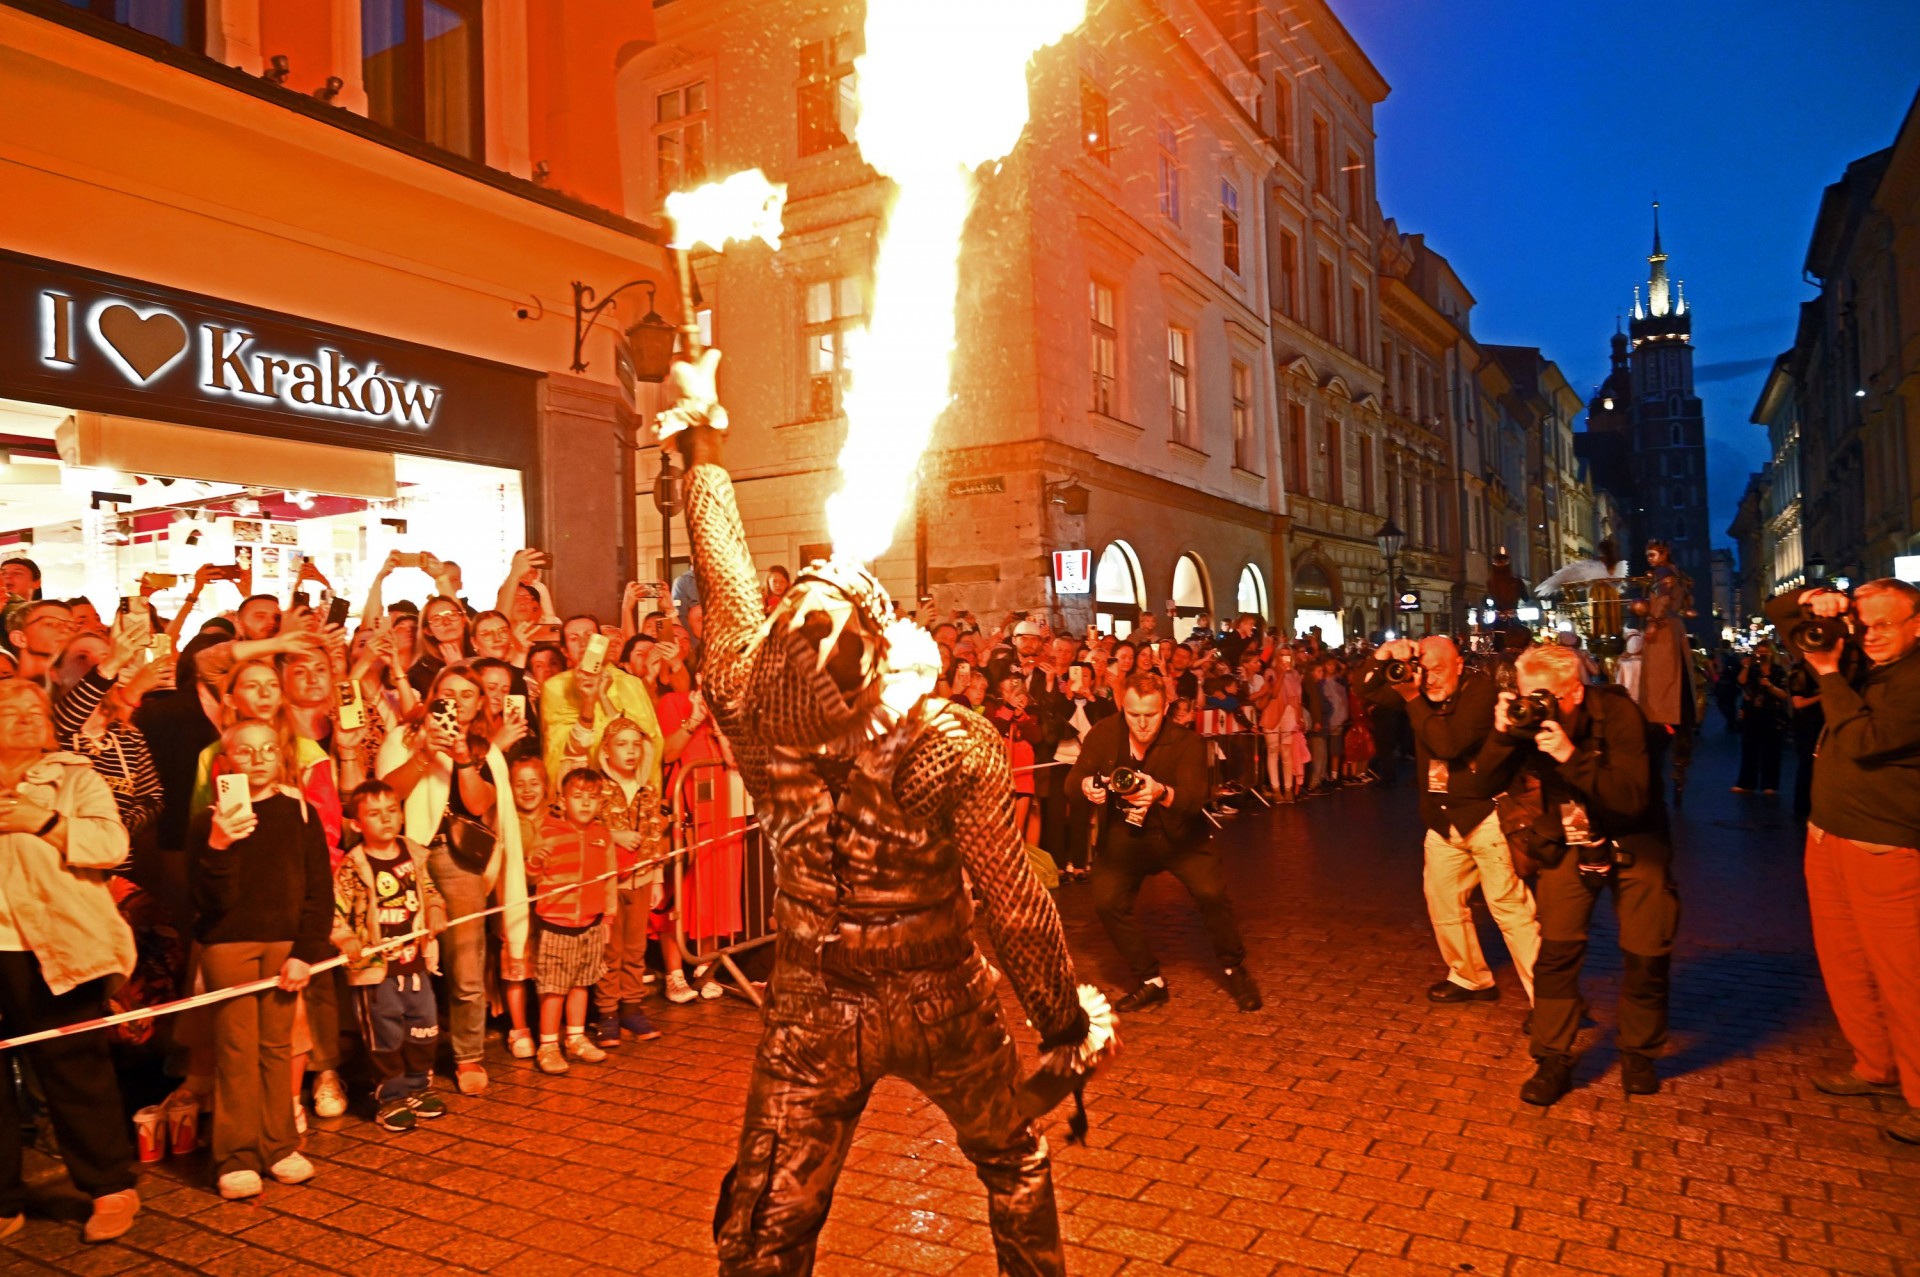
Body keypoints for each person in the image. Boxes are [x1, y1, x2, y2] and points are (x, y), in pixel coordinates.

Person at [662, 350, 1109, 1275]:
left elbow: (728, 580)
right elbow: (1019, 909)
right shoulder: (946, 739)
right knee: (1013, 1159)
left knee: (772, 1212)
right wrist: (1065, 1028)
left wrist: (701, 439)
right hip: (939, 993)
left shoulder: (748, 699)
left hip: (810, 998)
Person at [1478, 643, 1679, 1105]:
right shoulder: (1526, 722)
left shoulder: (1620, 715)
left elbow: (1631, 797)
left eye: (1544, 695)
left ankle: (1638, 1053)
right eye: (1527, 694)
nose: (1534, 704)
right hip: (1569, 837)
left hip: (1634, 837)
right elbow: (1481, 785)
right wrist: (1503, 734)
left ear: (1575, 692)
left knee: (1647, 953)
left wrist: (1571, 755)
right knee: (1557, 954)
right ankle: (1552, 1058)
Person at [1766, 579, 1920, 1143]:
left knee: (1903, 975)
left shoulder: (1911, 679)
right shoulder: (1863, 657)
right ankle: (1874, 1065)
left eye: (1886, 623)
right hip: (1829, 836)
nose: (1871, 634)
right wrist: (1820, 598)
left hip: (1886, 846)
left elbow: (1863, 740)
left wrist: (1830, 674)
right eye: (1864, 622)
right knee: (1845, 962)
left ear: (1917, 626)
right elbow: (1778, 612)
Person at [0, 680, 141, 1243]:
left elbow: (112, 845)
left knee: (75, 1066)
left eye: (35, 708)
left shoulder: (74, 778)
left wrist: (45, 823)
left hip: (56, 945)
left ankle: (109, 1186)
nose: (25, 716)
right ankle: (2, 1197)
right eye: (9, 709)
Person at [186, 720, 333, 1198]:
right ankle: (235, 1155)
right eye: (246, 751)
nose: (259, 758)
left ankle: (279, 1146)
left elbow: (318, 890)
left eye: (268, 749)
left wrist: (305, 953)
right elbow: (210, 902)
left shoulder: (301, 814)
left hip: (284, 946)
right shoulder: (207, 820)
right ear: (227, 761)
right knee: (235, 1049)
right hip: (229, 945)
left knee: (277, 1046)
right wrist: (219, 845)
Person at [375, 664, 529, 1096]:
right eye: (448, 693)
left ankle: (468, 1055)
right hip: (405, 857)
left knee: (465, 962)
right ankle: (406, 1058)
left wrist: (463, 758)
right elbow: (386, 796)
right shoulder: (402, 739)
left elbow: (482, 805)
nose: (457, 702)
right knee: (404, 965)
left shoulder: (486, 749)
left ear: (480, 702)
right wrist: (424, 754)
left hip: (460, 861)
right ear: (432, 696)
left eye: (467, 694)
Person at [1068, 671, 1260, 1013]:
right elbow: (1071, 782)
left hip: (1180, 837)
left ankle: (1234, 966)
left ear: (1166, 707)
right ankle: (1149, 980)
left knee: (1211, 894)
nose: (1142, 723)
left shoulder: (1185, 741)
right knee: (1106, 902)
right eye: (1133, 714)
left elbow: (1195, 797)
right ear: (1121, 706)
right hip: (1125, 837)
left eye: (1151, 715)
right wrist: (1086, 785)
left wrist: (1162, 793)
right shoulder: (1104, 734)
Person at [1368, 637, 1540, 1005]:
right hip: (1443, 822)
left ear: (1460, 665)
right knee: (1443, 902)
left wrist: (1412, 698)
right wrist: (1383, 657)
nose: (1429, 679)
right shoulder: (1417, 689)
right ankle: (1468, 976)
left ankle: (1549, 1000)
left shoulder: (1480, 693)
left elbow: (1448, 743)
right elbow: (1366, 688)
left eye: (1438, 669)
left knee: (1510, 910)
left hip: (1485, 816)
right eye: (1423, 670)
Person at [332, 781, 448, 1134]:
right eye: (374, 814)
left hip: (415, 963)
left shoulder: (414, 854)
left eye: (392, 810)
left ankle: (418, 1085)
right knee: (385, 1034)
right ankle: (391, 1096)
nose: (386, 819)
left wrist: (437, 909)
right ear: (356, 823)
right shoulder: (354, 866)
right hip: (375, 971)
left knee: (424, 1026)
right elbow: (336, 908)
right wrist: (345, 937)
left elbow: (428, 890)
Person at [527, 768, 621, 1075]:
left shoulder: (602, 836)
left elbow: (609, 880)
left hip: (590, 925)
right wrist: (534, 862)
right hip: (556, 924)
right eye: (577, 797)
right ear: (563, 801)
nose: (584, 803)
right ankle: (548, 1044)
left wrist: (607, 917)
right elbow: (532, 876)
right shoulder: (548, 831)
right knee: (554, 988)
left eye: (591, 798)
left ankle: (576, 1037)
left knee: (582, 983)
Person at [1732, 642, 1790, 795]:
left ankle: (1769, 785)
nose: (1763, 654)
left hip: (1772, 713)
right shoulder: (1752, 669)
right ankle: (1747, 783)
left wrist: (1770, 686)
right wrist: (1746, 666)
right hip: (1753, 713)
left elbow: (1784, 695)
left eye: (1766, 652)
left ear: (1772, 653)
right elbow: (1741, 681)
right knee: (1749, 749)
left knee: (1772, 750)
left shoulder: (1778, 671)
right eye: (1760, 651)